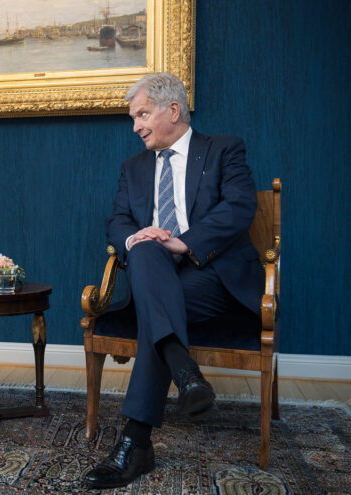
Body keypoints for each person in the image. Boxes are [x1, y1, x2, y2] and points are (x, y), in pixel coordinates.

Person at [83, 73, 263, 489]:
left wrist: (183, 243)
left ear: (174, 110)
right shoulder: (133, 167)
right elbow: (118, 221)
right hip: (159, 279)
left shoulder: (222, 149)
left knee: (154, 306)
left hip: (214, 277)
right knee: (142, 245)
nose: (136, 126)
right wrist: (136, 236)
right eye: (134, 118)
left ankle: (135, 445)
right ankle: (182, 375)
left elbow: (239, 206)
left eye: (142, 114)